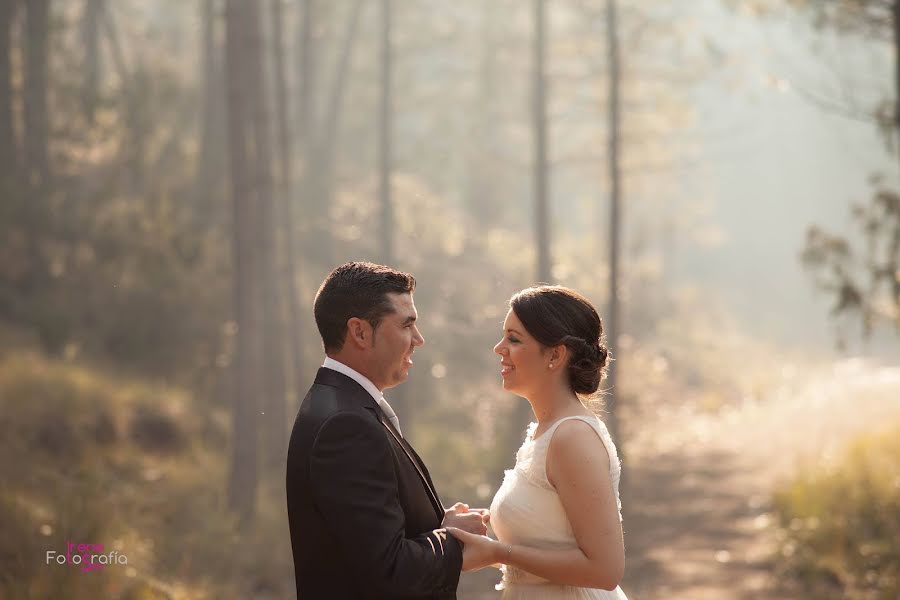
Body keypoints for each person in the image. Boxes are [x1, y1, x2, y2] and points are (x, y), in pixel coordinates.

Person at [286, 261, 494, 599]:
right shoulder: (345, 426)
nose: (419, 339)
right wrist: (453, 541)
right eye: (407, 324)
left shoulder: (345, 406)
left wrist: (439, 527)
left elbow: (370, 548)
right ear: (360, 332)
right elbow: (389, 569)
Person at [446, 285, 628, 599]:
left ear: (555, 355)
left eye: (514, 339)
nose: (499, 348)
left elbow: (605, 569)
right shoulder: (543, 432)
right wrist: (474, 539)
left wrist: (498, 553)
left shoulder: (572, 437)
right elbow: (548, 548)